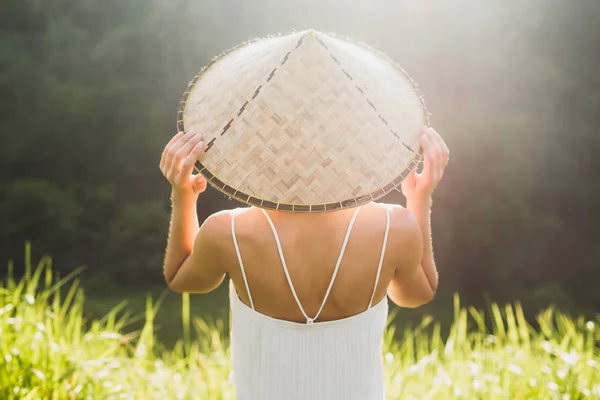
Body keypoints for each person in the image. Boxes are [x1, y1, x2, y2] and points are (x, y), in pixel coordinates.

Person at [159, 125, 449, 399]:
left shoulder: (228, 232)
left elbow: (181, 279)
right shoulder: (394, 227)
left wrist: (183, 195)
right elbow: (415, 295)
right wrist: (420, 198)